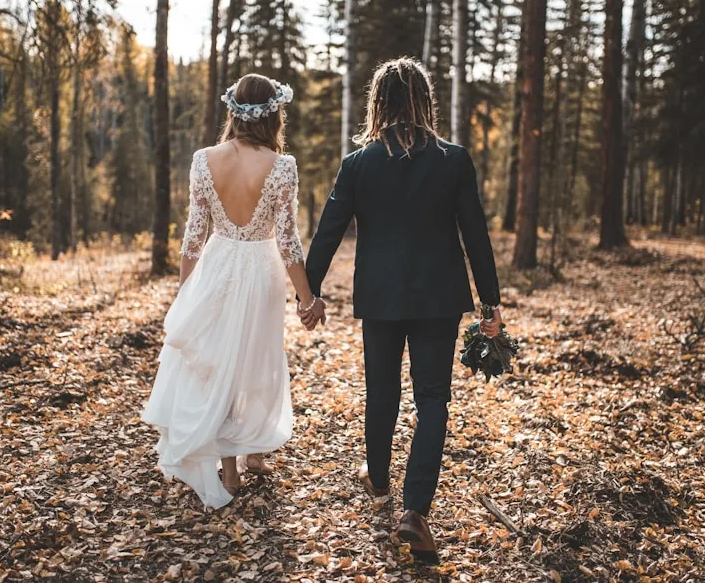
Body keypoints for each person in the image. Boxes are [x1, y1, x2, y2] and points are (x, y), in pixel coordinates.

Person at [302, 57, 503, 563]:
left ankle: (379, 482)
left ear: (377, 103)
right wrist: (490, 303)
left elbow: (328, 231)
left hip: (381, 298)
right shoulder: (453, 160)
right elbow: (475, 235)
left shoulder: (358, 164)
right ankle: (414, 510)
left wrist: (309, 293)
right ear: (424, 101)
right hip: (439, 298)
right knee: (433, 398)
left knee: (382, 392)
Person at [141, 74, 326, 509]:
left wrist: (189, 293)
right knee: (256, 356)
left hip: (218, 264)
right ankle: (251, 451)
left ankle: (234, 464)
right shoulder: (282, 166)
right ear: (273, 114)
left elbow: (193, 235)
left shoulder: (204, 160)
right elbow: (287, 241)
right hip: (261, 269)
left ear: (234, 112)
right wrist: (306, 298)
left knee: (221, 356)